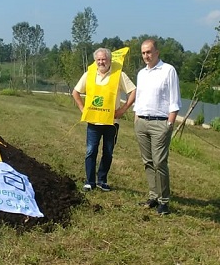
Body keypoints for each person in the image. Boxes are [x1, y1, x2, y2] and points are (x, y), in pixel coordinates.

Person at [72, 47, 136, 192]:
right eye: (99, 59)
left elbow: (133, 91)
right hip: (94, 122)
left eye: (104, 59)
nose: (101, 62)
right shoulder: (89, 74)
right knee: (90, 151)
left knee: (108, 152)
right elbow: (75, 92)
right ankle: (89, 181)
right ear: (95, 60)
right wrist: (83, 109)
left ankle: (102, 180)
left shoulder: (119, 74)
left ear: (109, 60)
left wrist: (123, 110)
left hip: (112, 123)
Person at [133, 39, 180, 215]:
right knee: (148, 161)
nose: (146, 55)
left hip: (160, 123)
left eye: (149, 52)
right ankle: (153, 196)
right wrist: (136, 117)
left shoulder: (168, 71)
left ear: (157, 52)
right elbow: (140, 98)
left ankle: (164, 201)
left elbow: (174, 100)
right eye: (144, 52)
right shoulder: (141, 73)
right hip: (142, 122)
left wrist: (170, 123)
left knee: (160, 162)